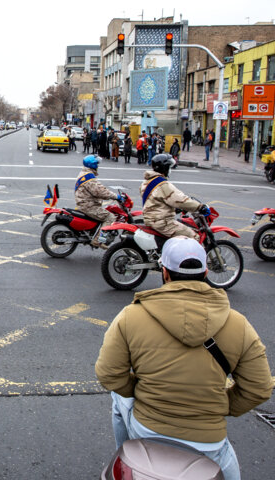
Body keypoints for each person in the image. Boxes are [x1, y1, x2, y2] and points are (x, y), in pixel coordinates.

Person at [95, 237, 273, 480]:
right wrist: (222, 406)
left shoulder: (131, 316)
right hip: (209, 441)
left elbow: (108, 374)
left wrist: (139, 390)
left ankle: (128, 453)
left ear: (165, 274)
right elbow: (259, 389)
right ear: (206, 272)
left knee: (118, 398)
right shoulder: (239, 324)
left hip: (147, 426)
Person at [141, 154, 209, 240]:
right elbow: (181, 200)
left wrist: (174, 208)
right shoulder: (163, 185)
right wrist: (200, 207)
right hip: (162, 222)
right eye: (169, 167)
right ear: (164, 168)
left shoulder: (147, 182)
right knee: (194, 237)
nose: (170, 169)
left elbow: (156, 201)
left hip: (151, 219)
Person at [75, 155, 122, 248]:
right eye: (97, 164)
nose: (98, 166)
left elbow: (99, 188)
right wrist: (115, 196)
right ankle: (97, 241)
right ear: (92, 165)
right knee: (110, 217)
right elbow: (100, 192)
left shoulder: (85, 173)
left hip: (86, 203)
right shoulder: (88, 177)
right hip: (89, 206)